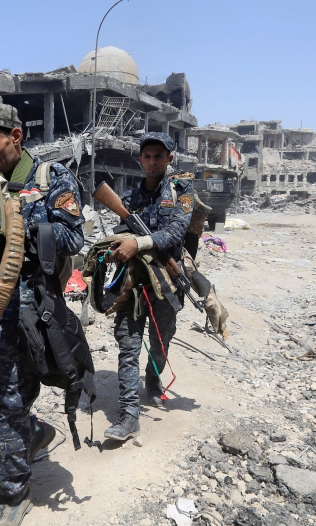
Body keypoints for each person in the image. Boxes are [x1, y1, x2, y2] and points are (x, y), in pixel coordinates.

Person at [0, 104, 85, 526]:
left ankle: (14, 491)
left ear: (15, 135)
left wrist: (20, 216)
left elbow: (72, 236)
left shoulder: (52, 178)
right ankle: (30, 434)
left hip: (25, 310)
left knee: (6, 403)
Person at [102, 132, 193, 441]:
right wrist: (116, 245)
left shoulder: (182, 190)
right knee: (128, 344)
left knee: (160, 341)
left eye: (159, 156)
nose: (152, 161)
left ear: (169, 159)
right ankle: (129, 415)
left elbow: (176, 231)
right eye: (147, 156)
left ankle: (153, 381)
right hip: (134, 280)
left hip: (167, 282)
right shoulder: (128, 198)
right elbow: (118, 232)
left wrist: (138, 242)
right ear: (140, 160)